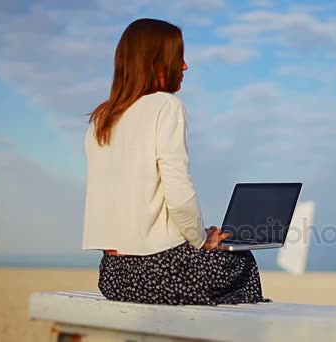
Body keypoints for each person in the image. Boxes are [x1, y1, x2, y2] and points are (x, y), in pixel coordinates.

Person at [81, 18, 270, 306]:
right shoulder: (166, 106)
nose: (184, 66)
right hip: (161, 271)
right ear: (156, 62)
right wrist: (200, 239)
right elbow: (179, 193)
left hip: (113, 275)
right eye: (178, 57)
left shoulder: (102, 118)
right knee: (241, 260)